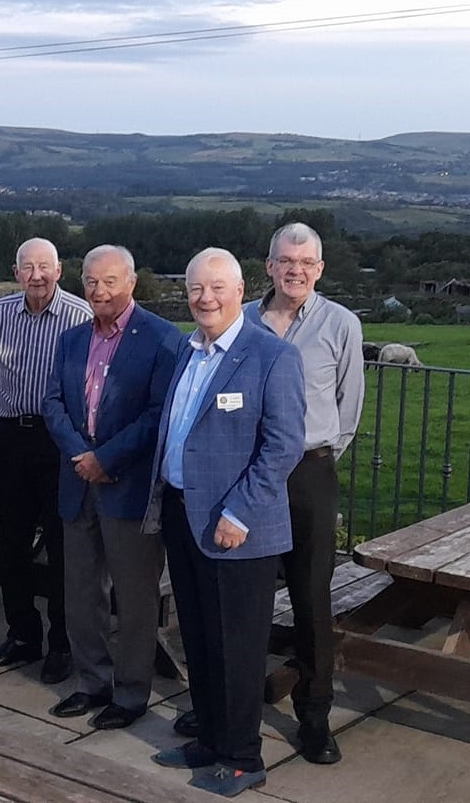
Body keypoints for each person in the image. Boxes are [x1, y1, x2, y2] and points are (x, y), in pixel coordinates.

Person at [145, 247, 305, 798]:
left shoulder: (271, 356)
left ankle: (242, 756)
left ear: (241, 291)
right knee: (200, 639)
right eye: (195, 288)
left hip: (239, 527)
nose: (205, 298)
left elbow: (283, 447)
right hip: (184, 515)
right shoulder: (188, 351)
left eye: (217, 288)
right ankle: (210, 740)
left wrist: (238, 511)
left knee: (237, 647)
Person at [41, 246, 180, 730]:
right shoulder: (72, 338)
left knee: (135, 596)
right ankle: (91, 681)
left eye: (110, 281)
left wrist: (107, 458)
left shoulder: (163, 340)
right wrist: (82, 456)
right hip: (78, 484)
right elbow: (53, 401)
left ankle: (132, 692)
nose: (99, 291)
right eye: (91, 282)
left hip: (129, 487)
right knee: (81, 593)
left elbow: (159, 415)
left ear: (132, 282)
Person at [242, 223, 363, 764]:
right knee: (246, 595)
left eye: (306, 262)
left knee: (312, 599)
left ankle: (315, 717)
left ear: (319, 269)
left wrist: (312, 463)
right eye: (285, 261)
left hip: (309, 475)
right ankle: (235, 702)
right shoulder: (241, 319)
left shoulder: (342, 324)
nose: (295, 270)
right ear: (268, 265)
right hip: (249, 476)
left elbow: (348, 409)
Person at [0, 237, 92, 683]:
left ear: (60, 271)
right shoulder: (0, 314)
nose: (37, 275)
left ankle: (62, 643)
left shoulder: (80, 316)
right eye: (28, 267)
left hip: (57, 440)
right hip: (9, 435)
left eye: (45, 267)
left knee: (63, 545)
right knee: (12, 540)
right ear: (16, 272)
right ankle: (22, 634)